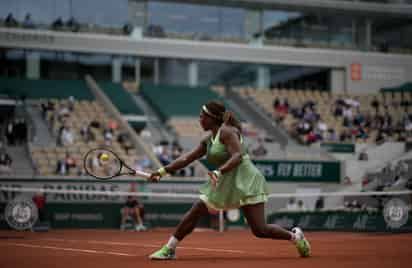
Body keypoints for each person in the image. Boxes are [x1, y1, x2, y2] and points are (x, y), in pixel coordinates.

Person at [147, 100, 311, 260]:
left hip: (246, 179)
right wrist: (161, 171)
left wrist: (219, 171)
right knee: (198, 208)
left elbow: (238, 156)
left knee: (260, 230)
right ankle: (170, 248)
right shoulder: (208, 140)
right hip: (226, 178)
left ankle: (295, 237)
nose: (200, 119)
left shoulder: (227, 132)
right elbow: (186, 159)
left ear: (212, 118)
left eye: (202, 116)